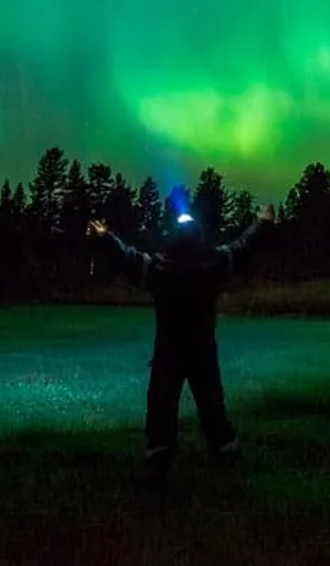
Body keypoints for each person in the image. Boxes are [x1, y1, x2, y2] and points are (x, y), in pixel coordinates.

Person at [86, 202, 275, 482]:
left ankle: (160, 459)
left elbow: (127, 258)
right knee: (212, 405)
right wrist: (263, 222)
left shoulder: (160, 268)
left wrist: (105, 237)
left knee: (162, 405)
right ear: (198, 236)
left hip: (169, 349)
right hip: (202, 350)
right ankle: (225, 453)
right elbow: (244, 248)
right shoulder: (214, 263)